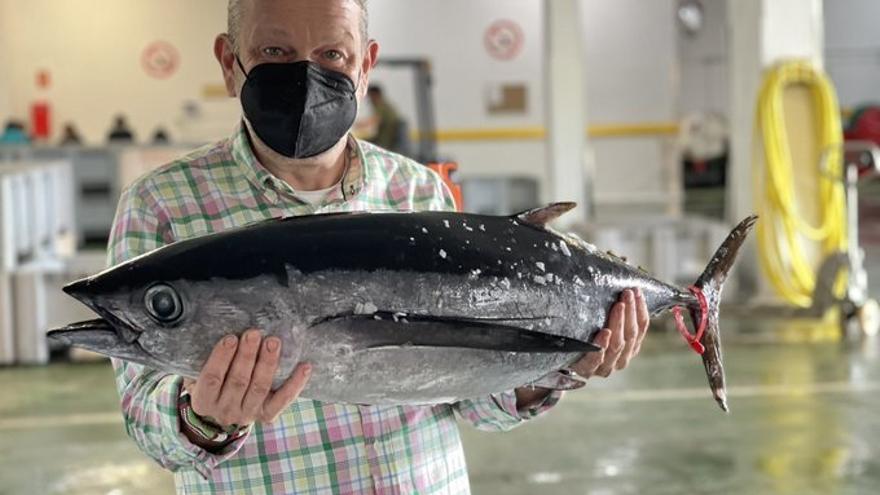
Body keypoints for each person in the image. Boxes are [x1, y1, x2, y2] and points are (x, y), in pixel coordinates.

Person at [108, 1, 650, 493]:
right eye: (275, 51)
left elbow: (476, 397)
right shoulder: (161, 205)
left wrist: (559, 368)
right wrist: (200, 417)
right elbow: (146, 422)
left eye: (332, 53)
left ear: (365, 66)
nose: (307, 73)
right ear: (230, 63)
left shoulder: (418, 192)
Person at [365, 84, 409, 154]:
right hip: (387, 137)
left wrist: (359, 124)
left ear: (375, 95)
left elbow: (376, 119)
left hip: (389, 139)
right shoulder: (385, 105)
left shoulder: (381, 105)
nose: (370, 100)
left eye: (370, 96)